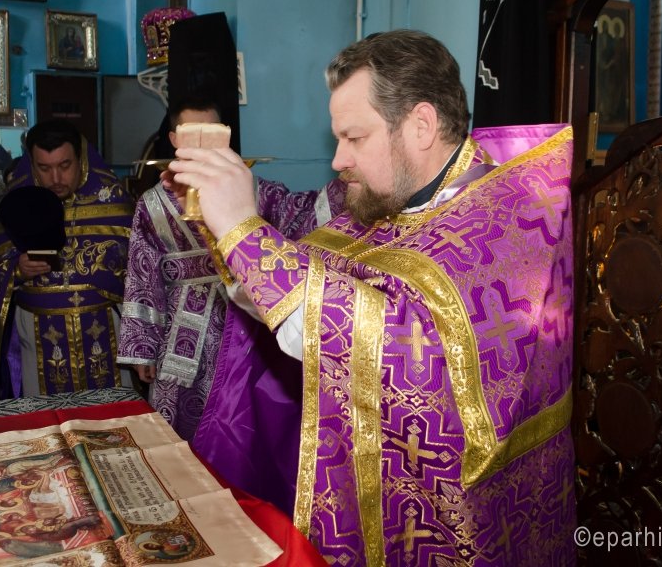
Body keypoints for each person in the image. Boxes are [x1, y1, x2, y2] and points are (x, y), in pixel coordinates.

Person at [166, 30, 576, 564]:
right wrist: (223, 232)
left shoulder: (504, 223)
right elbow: (303, 309)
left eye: (354, 137)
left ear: (421, 125)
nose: (338, 160)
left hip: (466, 525)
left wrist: (245, 232)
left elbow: (403, 353)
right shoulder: (397, 205)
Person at [117, 95, 346, 441]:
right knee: (179, 435)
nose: (203, 143)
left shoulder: (253, 191)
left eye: (212, 133)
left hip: (246, 328)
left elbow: (302, 214)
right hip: (181, 336)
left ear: (225, 136)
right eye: (192, 134)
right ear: (175, 138)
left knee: (243, 428)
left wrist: (349, 181)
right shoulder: (153, 203)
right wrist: (141, 349)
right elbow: (143, 276)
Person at [0, 119, 135, 399]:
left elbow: (143, 273)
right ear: (31, 163)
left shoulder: (114, 201)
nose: (55, 179)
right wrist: (16, 270)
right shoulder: (18, 202)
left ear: (81, 159)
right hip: (39, 335)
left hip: (103, 329)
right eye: (44, 168)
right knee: (46, 416)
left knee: (111, 415)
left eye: (65, 165)